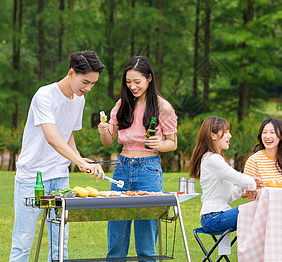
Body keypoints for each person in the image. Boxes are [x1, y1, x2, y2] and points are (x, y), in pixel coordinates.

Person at [9, 50, 106, 262]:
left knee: (60, 242)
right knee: (23, 242)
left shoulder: (79, 100)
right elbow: (52, 137)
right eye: (85, 81)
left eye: (93, 83)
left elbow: (67, 132)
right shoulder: (44, 95)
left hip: (60, 176)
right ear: (71, 73)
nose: (88, 88)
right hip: (33, 178)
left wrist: (79, 160)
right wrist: (78, 160)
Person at [98, 56, 177, 260]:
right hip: (122, 168)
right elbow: (108, 141)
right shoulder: (122, 104)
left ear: (149, 78)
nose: (132, 86)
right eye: (128, 81)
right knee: (117, 230)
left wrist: (160, 145)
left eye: (137, 82)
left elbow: (172, 143)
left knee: (146, 233)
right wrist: (103, 130)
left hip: (148, 169)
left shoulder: (163, 107)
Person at [189, 116, 263, 235]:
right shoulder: (212, 159)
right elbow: (238, 178)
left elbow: (228, 197)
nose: (230, 136)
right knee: (259, 209)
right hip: (213, 218)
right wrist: (251, 183)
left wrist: (244, 187)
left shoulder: (214, 159)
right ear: (213, 135)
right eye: (226, 132)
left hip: (216, 216)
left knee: (259, 209)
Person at [243, 117, 282, 186]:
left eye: (272, 132)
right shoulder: (253, 161)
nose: (268, 136)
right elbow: (243, 190)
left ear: (281, 136)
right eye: (264, 132)